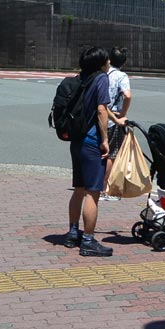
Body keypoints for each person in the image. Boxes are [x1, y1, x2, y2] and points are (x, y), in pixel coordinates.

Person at [64, 46, 114, 257]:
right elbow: (101, 109)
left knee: (79, 188)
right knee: (93, 192)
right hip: (92, 141)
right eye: (107, 60)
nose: (109, 63)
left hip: (76, 140)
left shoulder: (80, 78)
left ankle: (72, 233)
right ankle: (88, 241)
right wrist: (104, 140)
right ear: (101, 64)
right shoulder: (101, 78)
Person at [101, 46, 132, 202]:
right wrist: (123, 115)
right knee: (111, 155)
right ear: (124, 62)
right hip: (114, 118)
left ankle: (94, 185)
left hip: (99, 117)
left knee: (100, 151)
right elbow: (127, 95)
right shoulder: (121, 76)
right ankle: (105, 189)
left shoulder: (102, 73)